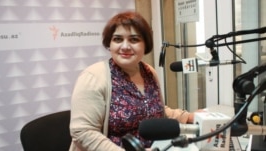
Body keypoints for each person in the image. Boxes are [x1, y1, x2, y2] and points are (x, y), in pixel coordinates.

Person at [69, 11, 195, 151]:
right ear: (109, 43)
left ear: (145, 44)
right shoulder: (93, 77)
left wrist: (188, 117)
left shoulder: (149, 72)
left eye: (134, 39)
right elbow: (82, 132)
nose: (125, 46)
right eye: (117, 39)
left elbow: (153, 111)